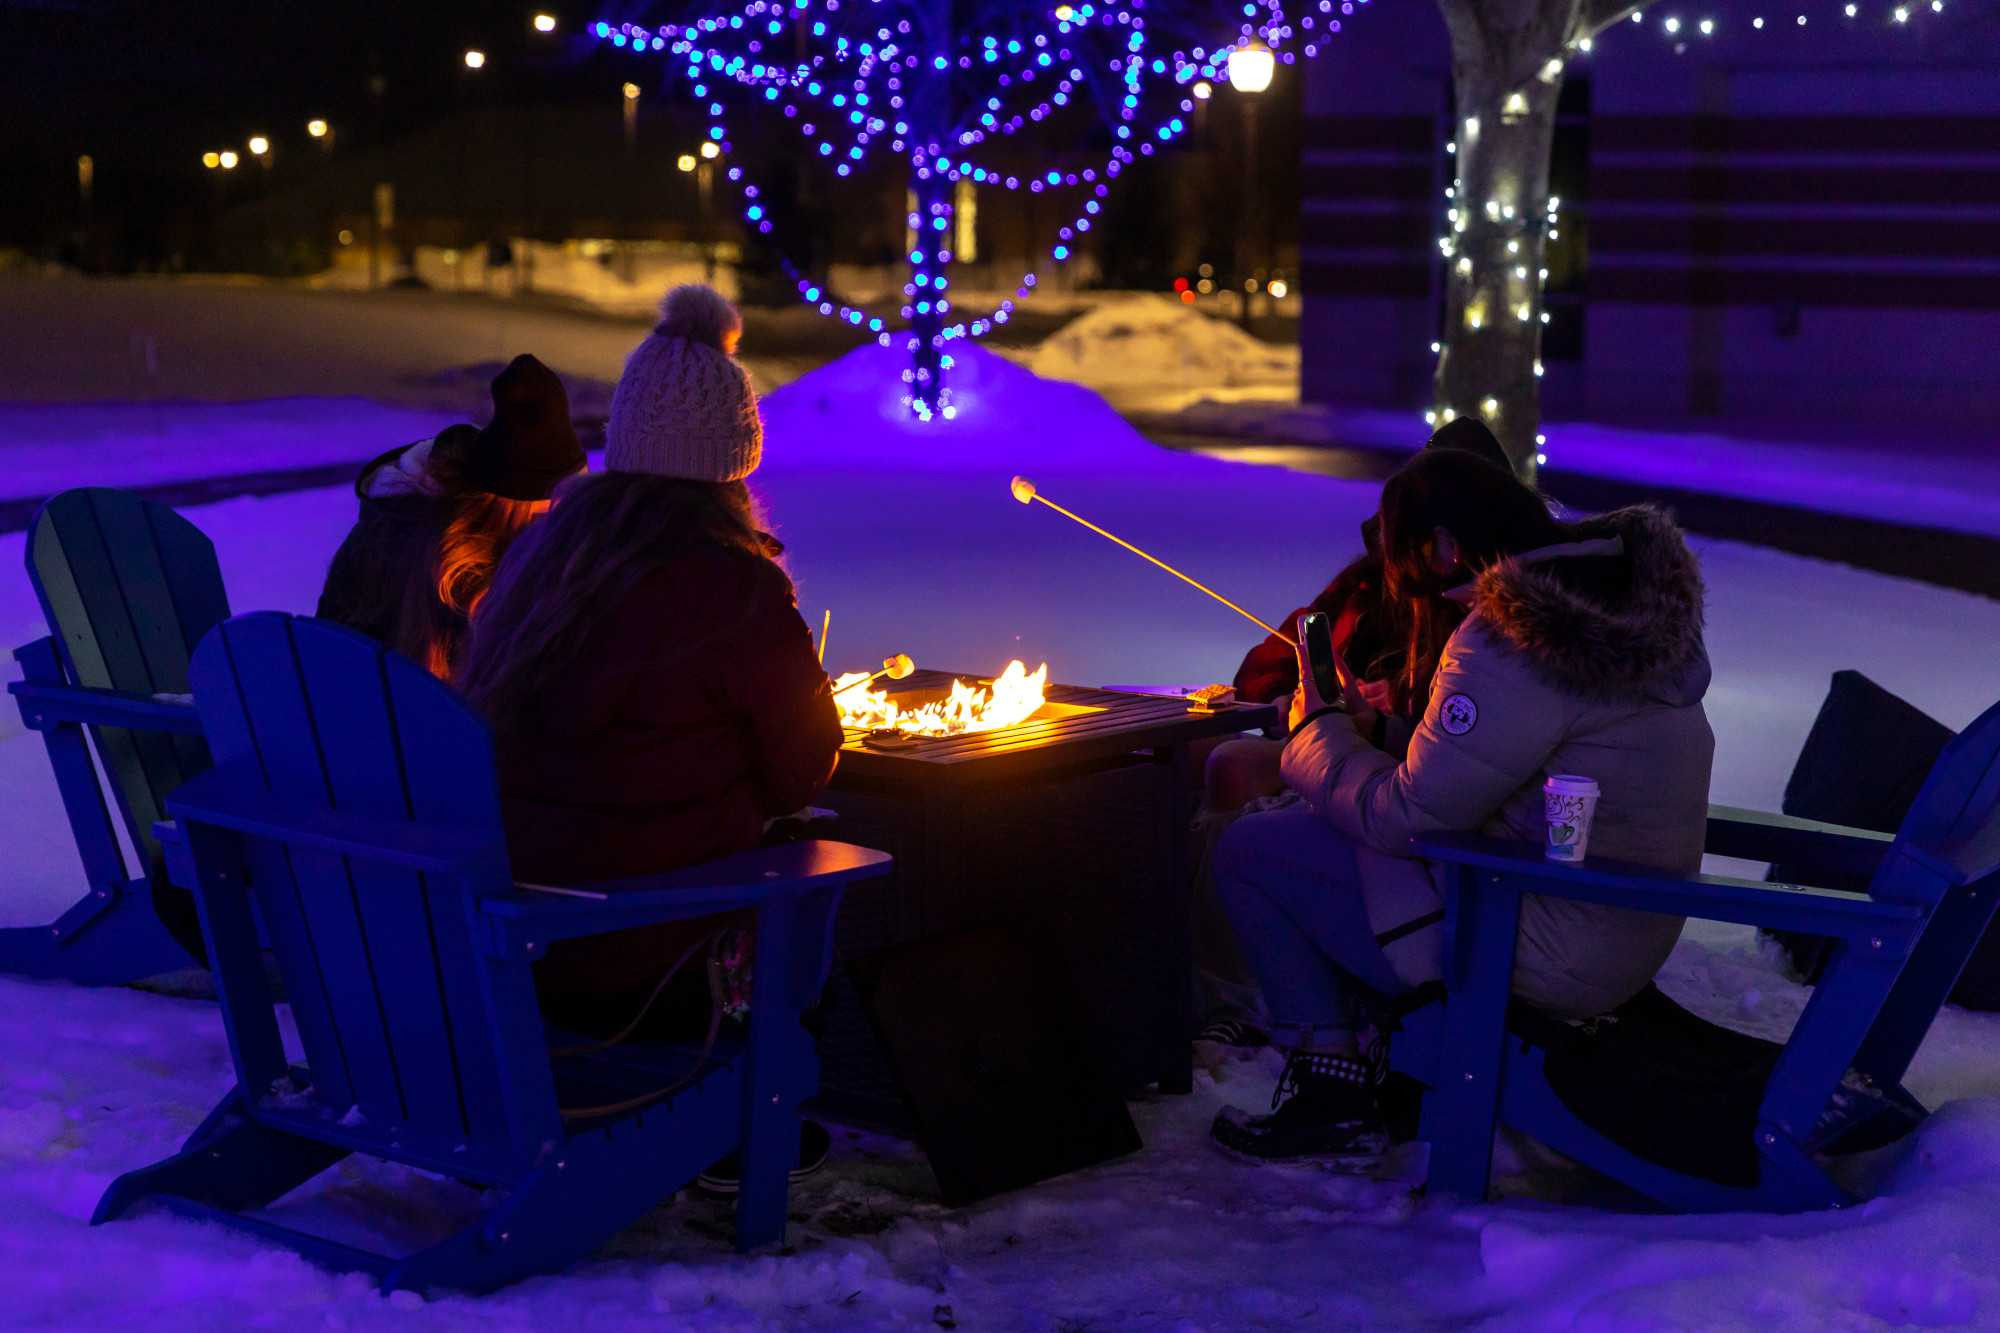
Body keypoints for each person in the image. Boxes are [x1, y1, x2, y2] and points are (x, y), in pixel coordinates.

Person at [1210, 448, 1714, 1160]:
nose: (1422, 600)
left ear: (1444, 546)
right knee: (1311, 831)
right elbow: (1499, 761)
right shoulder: (1606, 603)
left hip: (1539, 937)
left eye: (1410, 567)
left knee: (1252, 852)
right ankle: (1368, 1059)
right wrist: (1374, 731)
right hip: (1616, 921)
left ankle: (1332, 1085)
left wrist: (1316, 731)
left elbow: (1407, 814)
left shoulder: (1513, 635)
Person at [456, 284, 843, 1184]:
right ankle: (746, 1114)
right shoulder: (734, 587)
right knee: (822, 863)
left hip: (513, 941)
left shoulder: (541, 565)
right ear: (732, 465)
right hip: (647, 970)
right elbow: (803, 770)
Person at [1192, 422, 1520, 1046]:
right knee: (1191, 754)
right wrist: (1299, 694)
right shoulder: (1369, 583)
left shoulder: (1489, 614)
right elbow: (1277, 659)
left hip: (1405, 786)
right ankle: (1190, 964)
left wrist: (1378, 714)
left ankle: (1246, 992)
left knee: (1234, 772)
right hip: (1369, 749)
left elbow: (1454, 746)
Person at [317, 354, 583, 677]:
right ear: (527, 507)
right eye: (559, 502)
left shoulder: (390, 528)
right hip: (403, 717)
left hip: (335, 704)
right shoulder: (476, 585)